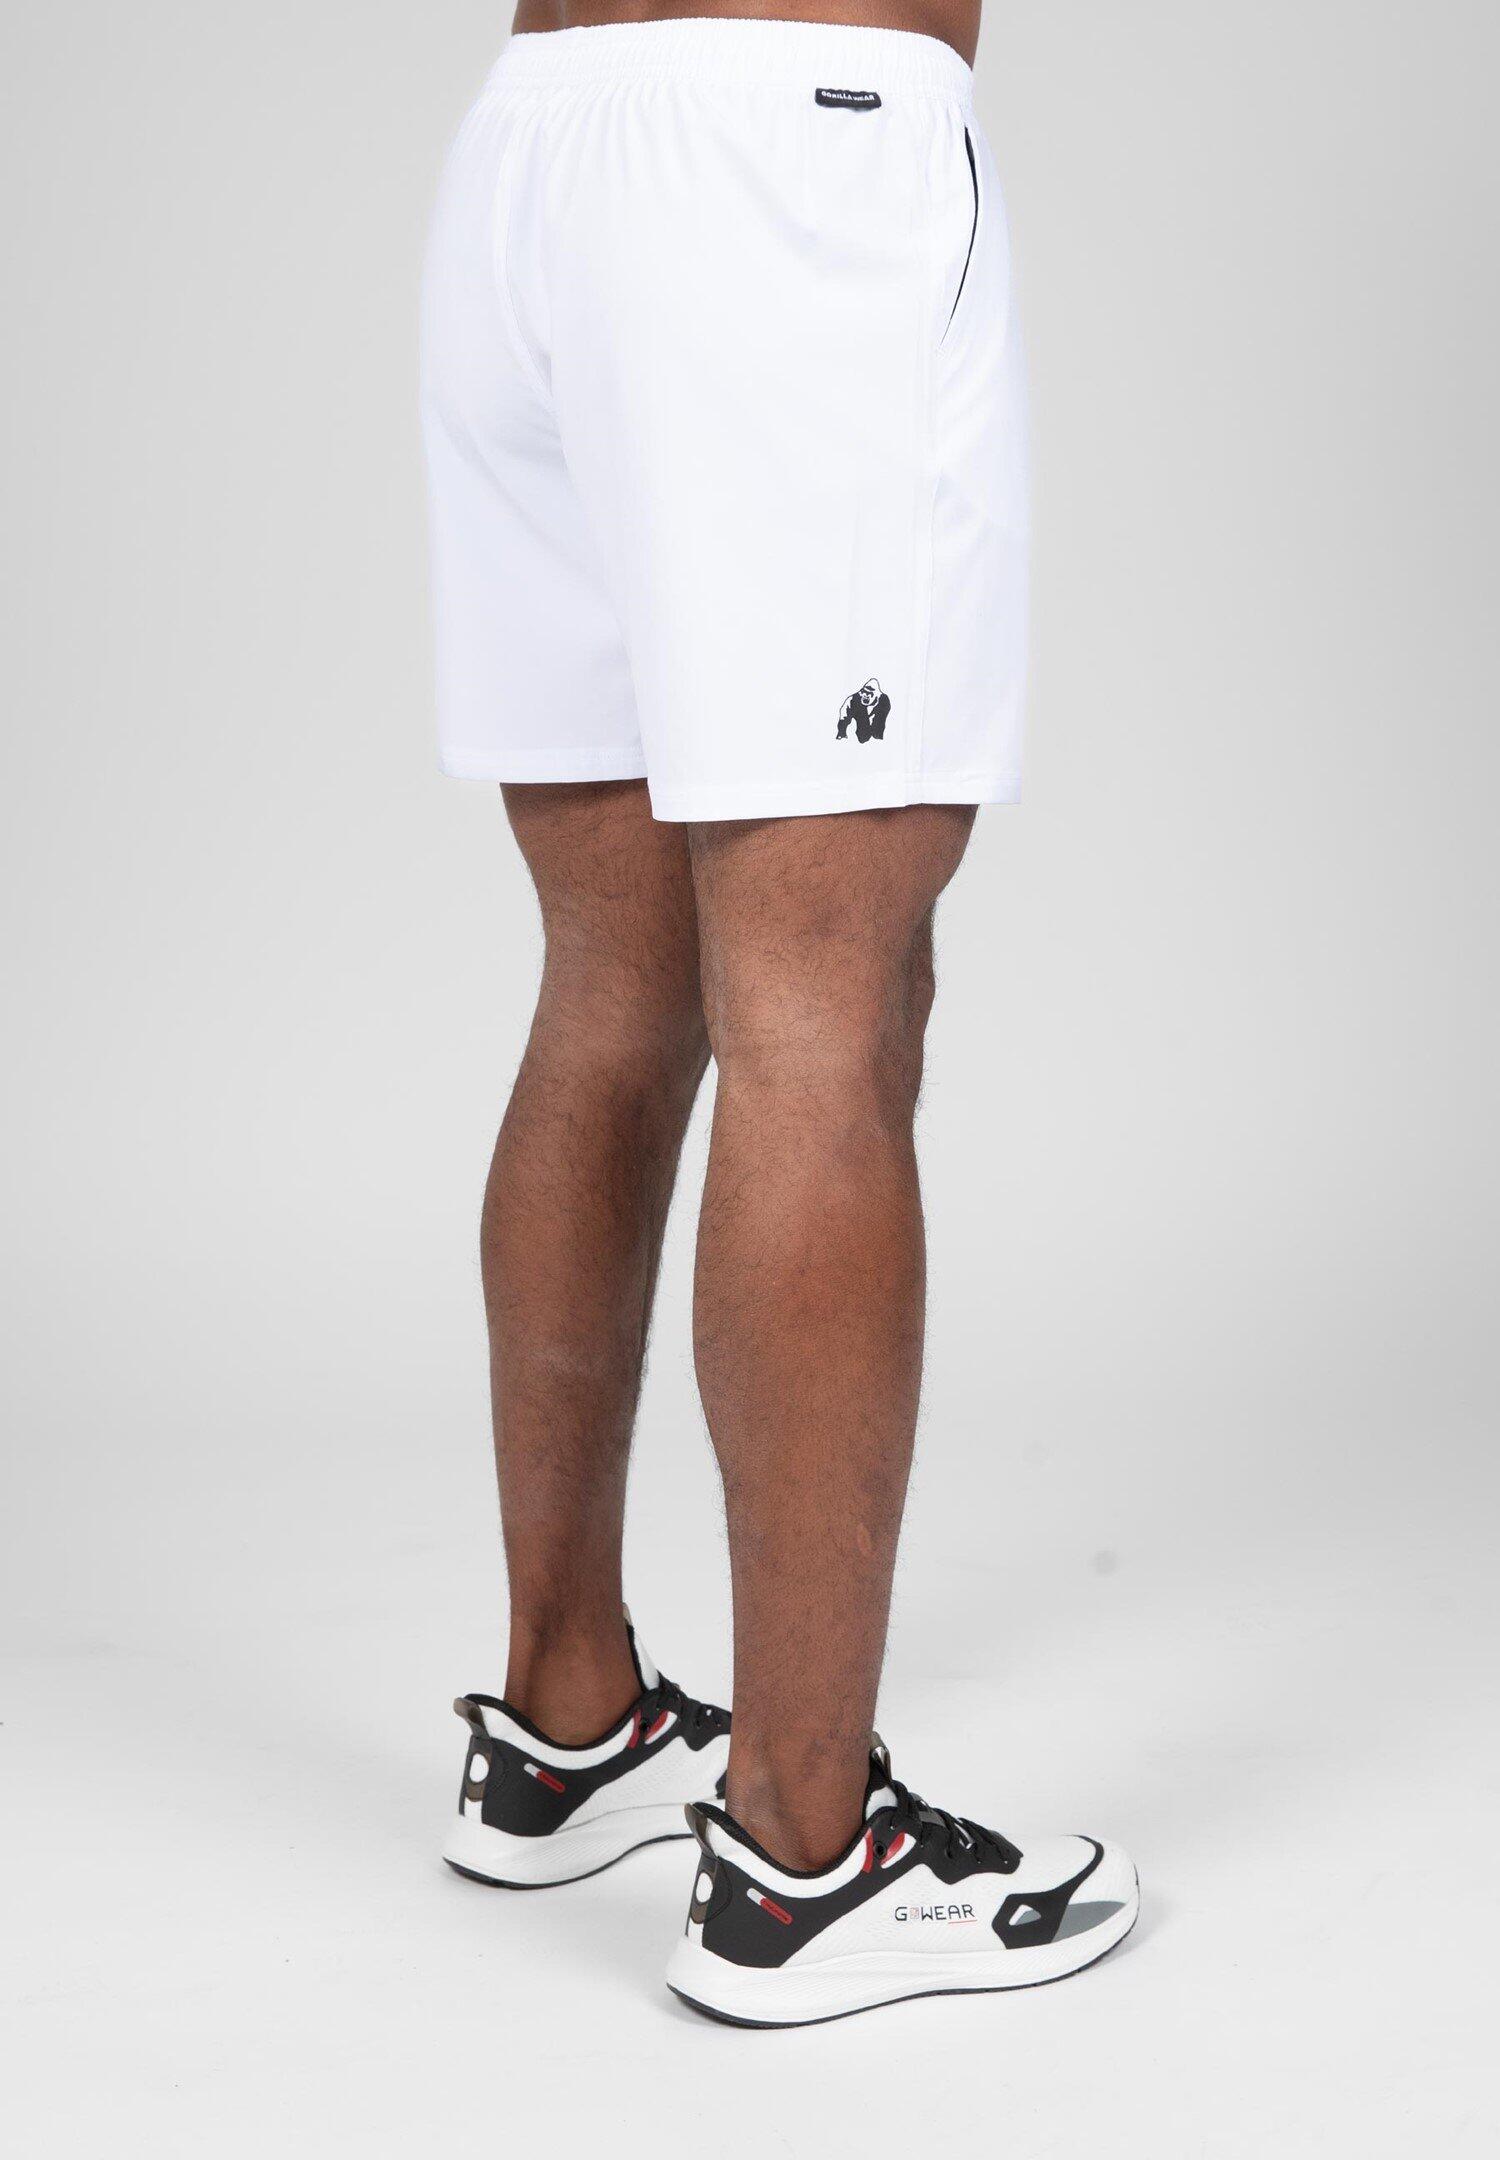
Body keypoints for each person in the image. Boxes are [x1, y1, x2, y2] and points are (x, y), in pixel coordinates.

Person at [421, 0, 1137, 2027]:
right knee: (830, 1007)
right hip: (791, 162)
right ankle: (808, 1855)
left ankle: (564, 1721)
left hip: (536, 143)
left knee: (611, 977)